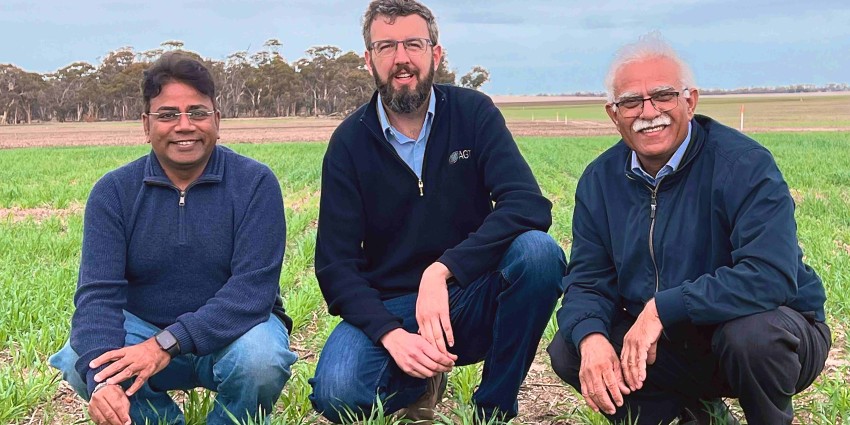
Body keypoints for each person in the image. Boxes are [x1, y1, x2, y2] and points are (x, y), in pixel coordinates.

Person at [547, 33, 831, 425]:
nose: (649, 111)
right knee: (572, 346)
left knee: (752, 336)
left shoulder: (744, 166)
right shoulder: (599, 181)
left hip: (768, 335)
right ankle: (688, 415)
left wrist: (663, 308)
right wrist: (591, 338)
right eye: (631, 101)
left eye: (663, 95)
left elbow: (771, 275)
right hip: (668, 346)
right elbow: (587, 280)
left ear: (690, 101)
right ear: (613, 114)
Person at [309, 0, 566, 423]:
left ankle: (493, 410)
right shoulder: (348, 144)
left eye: (413, 43)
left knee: (539, 253)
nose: (402, 59)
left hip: (468, 294)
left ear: (436, 53)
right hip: (393, 307)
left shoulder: (473, 114)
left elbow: (527, 204)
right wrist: (391, 334)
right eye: (386, 46)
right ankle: (420, 381)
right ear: (368, 59)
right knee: (339, 393)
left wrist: (443, 269)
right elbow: (335, 266)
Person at [49, 52, 297, 425]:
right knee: (79, 359)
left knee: (261, 359)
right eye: (167, 115)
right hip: (143, 330)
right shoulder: (114, 192)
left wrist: (167, 343)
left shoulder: (255, 184)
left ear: (217, 120)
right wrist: (102, 382)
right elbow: (98, 295)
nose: (184, 125)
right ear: (146, 125)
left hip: (232, 336)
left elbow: (251, 292)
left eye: (197, 112)